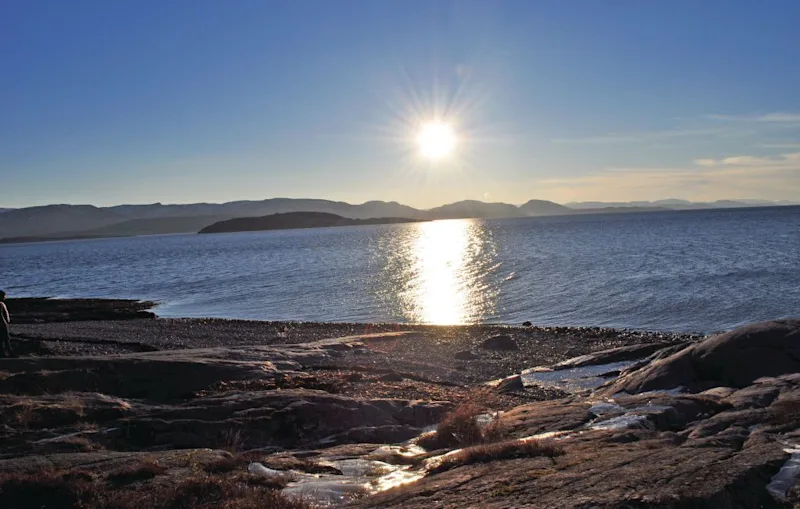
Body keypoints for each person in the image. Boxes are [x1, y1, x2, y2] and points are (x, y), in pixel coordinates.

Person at [0, 291, 12, 357]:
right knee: (6, 339)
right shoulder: (1, 304)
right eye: (5, 296)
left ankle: (2, 353)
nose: (6, 297)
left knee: (2, 339)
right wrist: (4, 323)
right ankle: (10, 353)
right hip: (3, 324)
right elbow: (1, 315)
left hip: (2, 323)